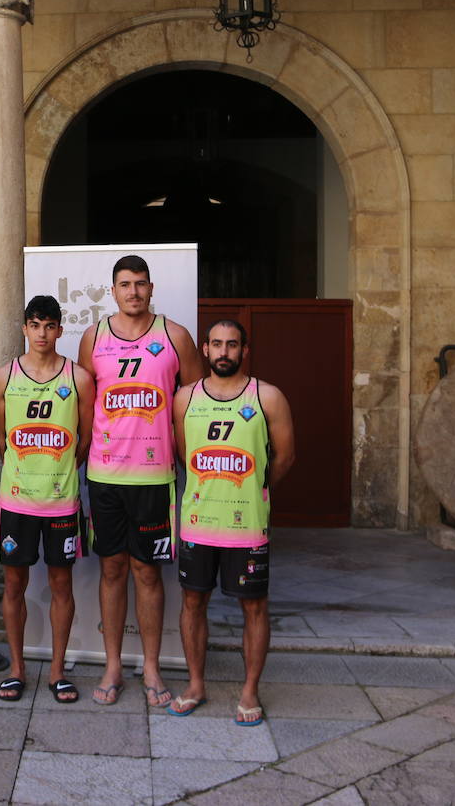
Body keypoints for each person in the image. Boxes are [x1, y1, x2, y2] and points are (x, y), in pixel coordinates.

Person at [78, 254, 202, 707]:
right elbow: (86, 405)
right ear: (113, 291)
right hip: (105, 473)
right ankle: (113, 665)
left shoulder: (175, 337)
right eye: (125, 284)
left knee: (147, 572)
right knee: (111, 569)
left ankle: (150, 666)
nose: (133, 292)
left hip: (154, 477)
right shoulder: (93, 337)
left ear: (152, 289)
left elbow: (193, 403)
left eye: (141, 284)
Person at [168, 319, 294, 725]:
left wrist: (254, 490)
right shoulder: (185, 399)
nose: (224, 352)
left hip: (246, 524)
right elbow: (186, 458)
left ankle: (249, 691)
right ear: (204, 349)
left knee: (254, 606)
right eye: (217, 344)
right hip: (199, 522)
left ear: (245, 351)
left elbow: (285, 458)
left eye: (233, 345)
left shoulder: (268, 397)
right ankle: (195, 684)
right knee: (193, 602)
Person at [0, 295, 94, 704]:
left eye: (50, 326)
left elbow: (82, 442)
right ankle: (16, 669)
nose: (42, 333)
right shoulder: (4, 377)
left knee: (60, 583)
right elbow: (2, 440)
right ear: (24, 329)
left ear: (59, 330)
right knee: (14, 583)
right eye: (35, 325)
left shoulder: (79, 378)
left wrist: (57, 471)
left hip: (61, 501)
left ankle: (56, 671)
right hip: (17, 502)